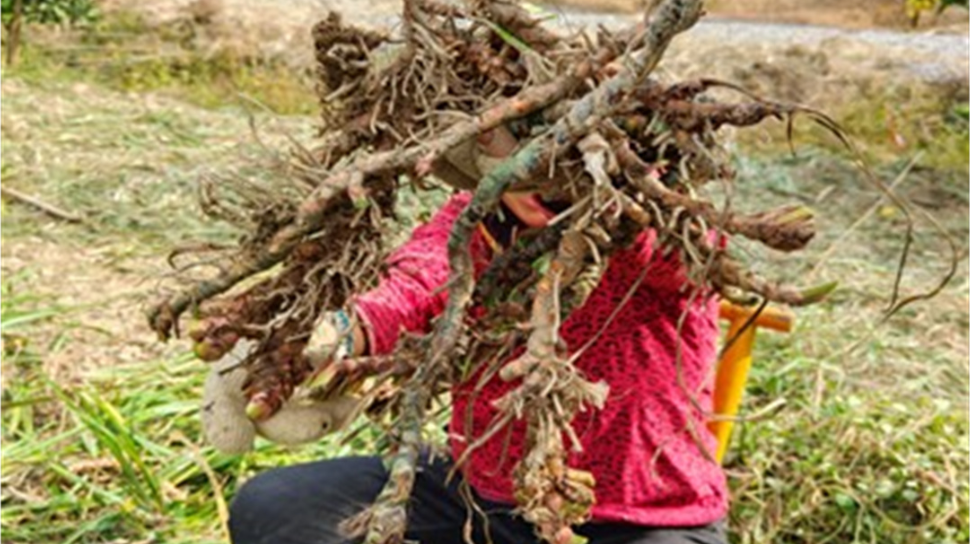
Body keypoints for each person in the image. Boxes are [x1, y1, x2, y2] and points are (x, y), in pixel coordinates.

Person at [209, 128, 729, 544]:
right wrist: (342, 333)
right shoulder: (474, 219)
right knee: (275, 508)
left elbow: (687, 265)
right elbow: (418, 282)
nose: (542, 177)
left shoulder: (668, 227)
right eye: (523, 152)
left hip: (646, 519)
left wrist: (608, 200)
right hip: (479, 496)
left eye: (561, 155)